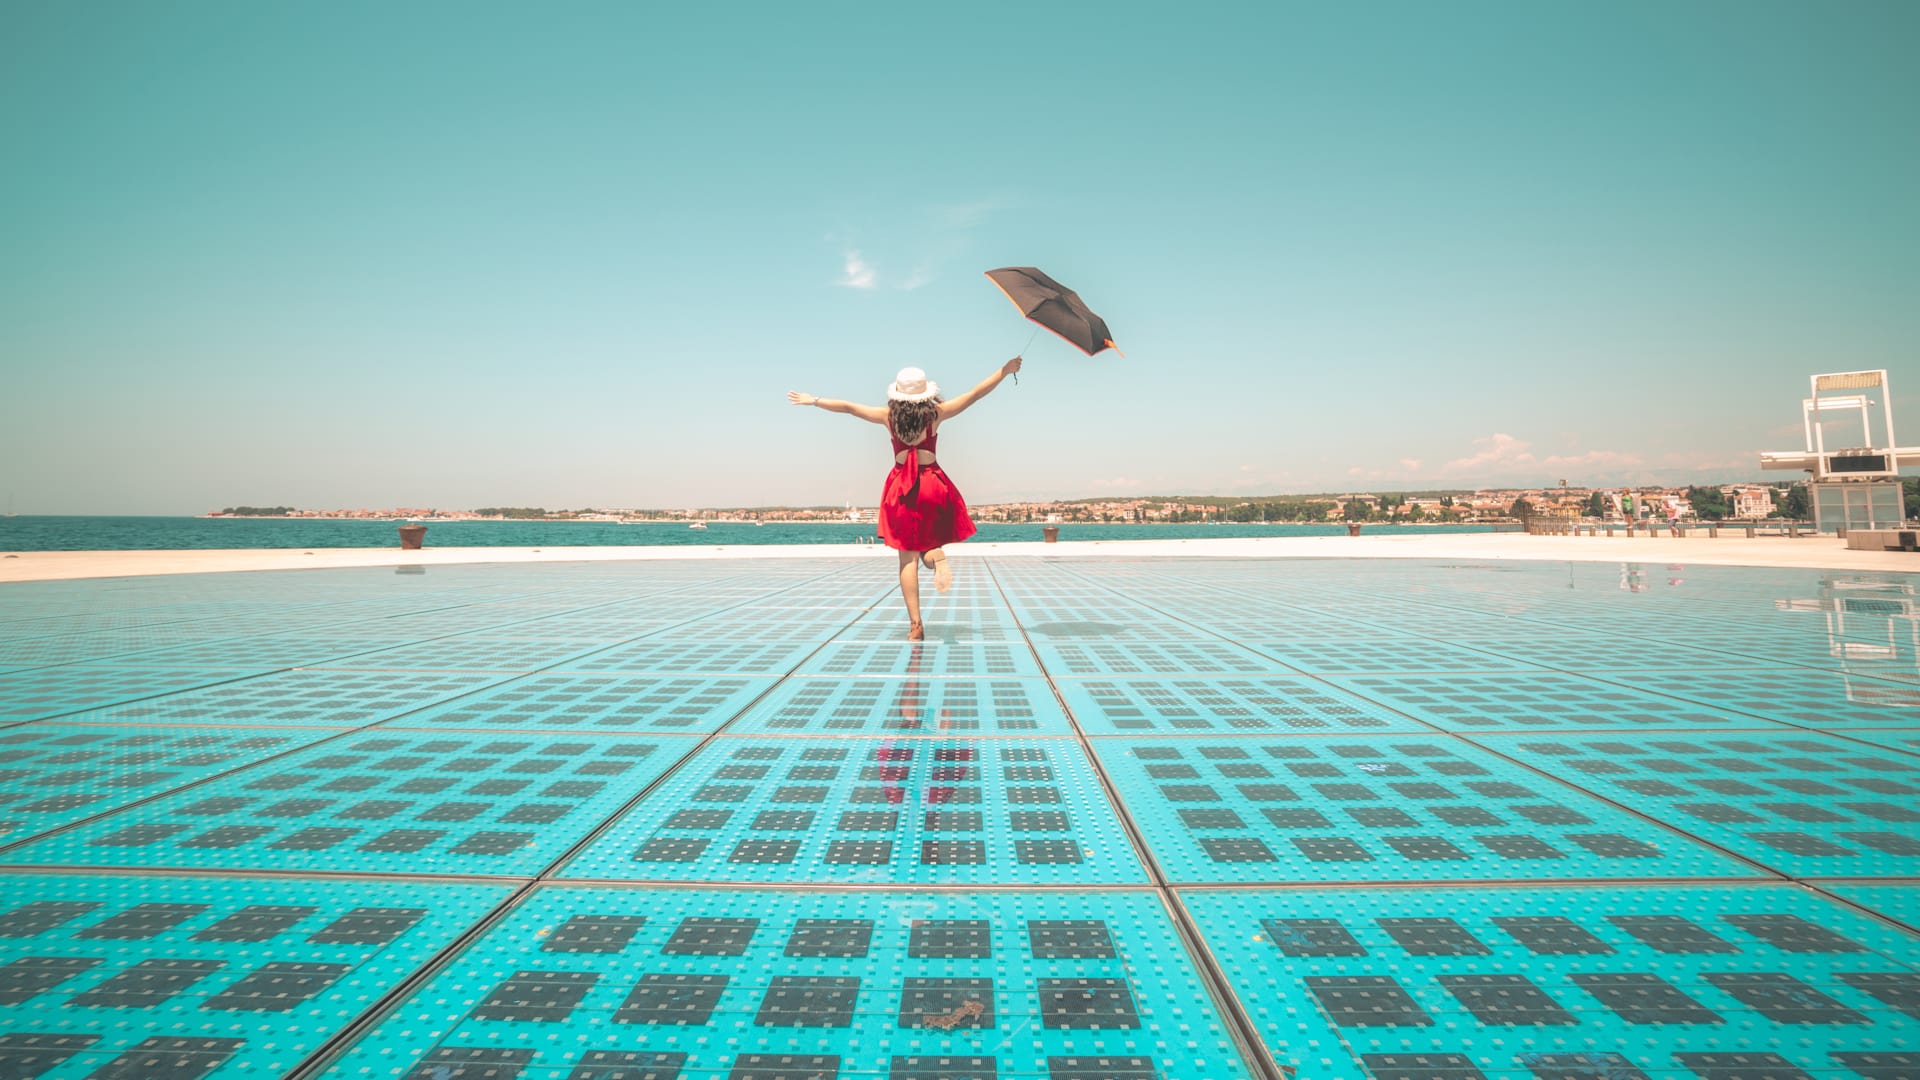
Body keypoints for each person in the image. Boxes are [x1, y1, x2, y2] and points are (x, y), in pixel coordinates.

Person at [789, 357, 1022, 640]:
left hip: (903, 486)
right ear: (926, 392)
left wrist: (814, 400)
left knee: (906, 560)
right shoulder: (936, 414)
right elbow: (974, 394)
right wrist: (1004, 371)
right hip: (932, 483)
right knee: (927, 541)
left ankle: (916, 625)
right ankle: (934, 555)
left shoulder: (887, 417)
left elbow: (849, 408)